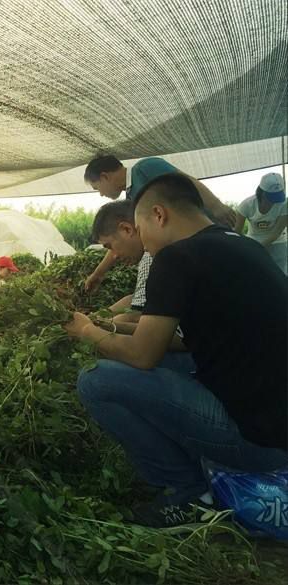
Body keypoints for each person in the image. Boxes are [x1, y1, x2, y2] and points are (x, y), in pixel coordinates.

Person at [65, 172, 288, 528]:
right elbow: (189, 339)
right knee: (160, 361)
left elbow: (142, 355)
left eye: (140, 228)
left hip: (254, 441)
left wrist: (88, 331)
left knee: (96, 380)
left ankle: (188, 491)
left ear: (159, 215)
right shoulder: (242, 245)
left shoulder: (176, 259)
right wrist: (109, 328)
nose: (144, 242)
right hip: (278, 425)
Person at [82, 155, 235, 293]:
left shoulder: (145, 168)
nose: (101, 194)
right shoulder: (131, 199)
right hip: (188, 251)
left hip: (204, 236)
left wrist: (216, 205)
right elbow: (119, 240)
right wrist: (98, 273)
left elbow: (186, 182)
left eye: (97, 188)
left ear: (104, 177)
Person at [234, 172, 287, 275]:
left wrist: (258, 247)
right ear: (262, 192)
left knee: (280, 274)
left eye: (278, 195)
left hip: (278, 241)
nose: (275, 201)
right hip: (254, 240)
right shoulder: (247, 205)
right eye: (272, 196)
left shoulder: (284, 204)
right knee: (256, 273)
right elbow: (237, 231)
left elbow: (276, 233)